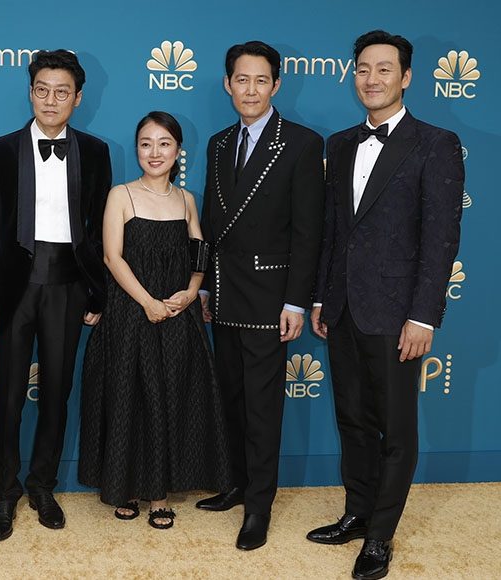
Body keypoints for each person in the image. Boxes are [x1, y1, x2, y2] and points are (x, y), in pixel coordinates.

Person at [306, 30, 463, 580]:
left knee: (396, 429)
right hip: (344, 307)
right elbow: (332, 230)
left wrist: (423, 315)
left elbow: (441, 238)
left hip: (398, 313)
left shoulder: (435, 143)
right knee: (352, 419)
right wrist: (321, 295)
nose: (371, 79)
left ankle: (380, 536)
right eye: (363, 69)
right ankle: (357, 512)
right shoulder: (339, 143)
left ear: (407, 77)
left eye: (384, 69)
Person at [0, 49, 112, 541]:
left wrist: (98, 294)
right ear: (30, 93)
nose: (51, 100)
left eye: (62, 92)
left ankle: (42, 485)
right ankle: (5, 490)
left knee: (57, 391)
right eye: (42, 90)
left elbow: (99, 230)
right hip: (13, 287)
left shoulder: (95, 151)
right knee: (8, 394)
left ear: (78, 98)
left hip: (69, 285)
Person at [196, 41, 325, 550]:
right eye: (241, 80)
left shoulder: (300, 143)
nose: (250, 90)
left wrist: (296, 301)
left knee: (263, 408)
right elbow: (212, 222)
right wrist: (206, 284)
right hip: (224, 291)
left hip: (271, 297)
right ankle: (235, 483)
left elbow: (308, 231)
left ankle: (259, 506)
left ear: (276, 85)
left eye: (261, 80)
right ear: (227, 84)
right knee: (230, 397)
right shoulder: (218, 142)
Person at [78, 112, 231, 529]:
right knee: (129, 399)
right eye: (146, 144)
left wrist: (191, 291)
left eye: (164, 143)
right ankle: (126, 487)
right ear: (137, 149)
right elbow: (112, 257)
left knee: (170, 398)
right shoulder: (121, 195)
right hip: (130, 312)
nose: (154, 152)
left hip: (177, 314)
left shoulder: (187, 200)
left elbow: (200, 254)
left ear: (179, 150)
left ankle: (160, 494)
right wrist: (147, 302)